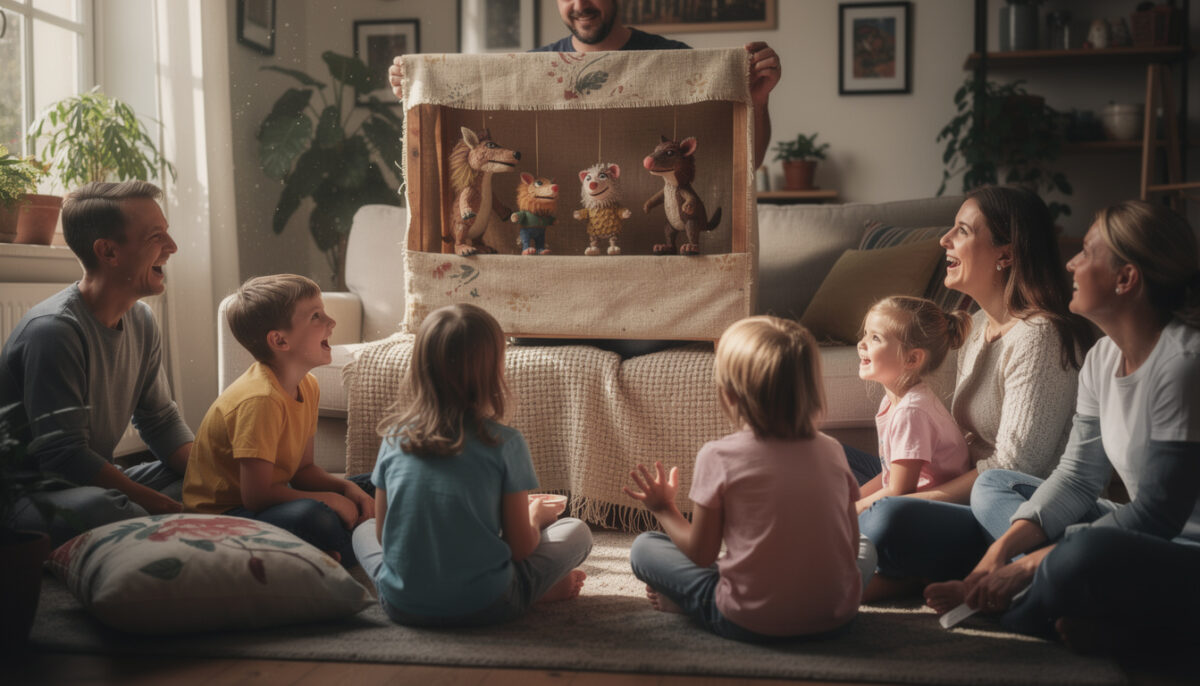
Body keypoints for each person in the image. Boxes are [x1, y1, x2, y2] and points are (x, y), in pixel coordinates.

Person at [924, 201, 1200, 656]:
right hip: (1134, 535)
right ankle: (1068, 601)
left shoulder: (1183, 365)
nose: (1071, 262)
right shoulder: (1102, 358)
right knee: (992, 485)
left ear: (1126, 278)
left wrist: (1030, 564)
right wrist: (1000, 555)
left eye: (1087, 253)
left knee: (1081, 555)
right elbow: (1076, 478)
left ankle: (1048, 609)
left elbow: (1158, 515)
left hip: (1183, 550)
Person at [855, 186, 1094, 598]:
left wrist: (916, 500)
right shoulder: (980, 324)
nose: (945, 240)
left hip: (998, 514)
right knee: (828, 462)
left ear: (1006, 254)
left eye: (962, 231)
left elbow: (1016, 468)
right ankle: (891, 563)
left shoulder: (1040, 336)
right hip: (955, 489)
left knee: (887, 518)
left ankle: (896, 561)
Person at [624, 316, 876, 642]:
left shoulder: (718, 456)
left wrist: (663, 508)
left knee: (645, 547)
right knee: (869, 547)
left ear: (729, 395)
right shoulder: (832, 450)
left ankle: (690, 603)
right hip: (836, 618)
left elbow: (701, 554)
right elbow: (852, 545)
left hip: (748, 620)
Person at [352, 303, 593, 627]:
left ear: (420, 369)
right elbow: (520, 548)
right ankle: (533, 590)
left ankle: (416, 590)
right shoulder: (505, 442)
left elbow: (384, 536)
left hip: (403, 606)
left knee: (363, 530)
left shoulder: (394, 438)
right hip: (490, 604)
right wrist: (534, 517)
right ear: (494, 371)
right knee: (577, 531)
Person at [1, 181, 194, 544]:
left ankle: (148, 525)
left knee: (200, 482)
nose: (172, 247)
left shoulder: (142, 321)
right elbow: (65, 457)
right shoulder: (54, 331)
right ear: (108, 251)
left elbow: (160, 420)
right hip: (28, 496)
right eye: (157, 236)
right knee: (103, 508)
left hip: (88, 485)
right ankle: (155, 524)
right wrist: (158, 504)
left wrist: (217, 475)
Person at [387, 0, 781, 168]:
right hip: (557, 246)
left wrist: (758, 101)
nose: (580, 4)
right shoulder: (531, 70)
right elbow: (483, 146)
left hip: (650, 253)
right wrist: (422, 91)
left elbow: (749, 160)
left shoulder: (676, 62)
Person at [182, 274, 375, 568]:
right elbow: (257, 497)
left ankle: (346, 547)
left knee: (379, 484)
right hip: (227, 516)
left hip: (268, 501)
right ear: (280, 340)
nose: (331, 322)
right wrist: (331, 500)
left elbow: (304, 471)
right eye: (316, 316)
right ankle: (362, 547)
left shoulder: (307, 385)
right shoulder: (260, 400)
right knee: (314, 516)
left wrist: (347, 490)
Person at [854, 296, 973, 515]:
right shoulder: (893, 402)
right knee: (833, 454)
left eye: (875, 338)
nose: (862, 343)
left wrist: (852, 510)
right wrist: (853, 500)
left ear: (912, 359)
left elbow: (899, 491)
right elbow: (890, 474)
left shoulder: (911, 411)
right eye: (865, 334)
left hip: (934, 512)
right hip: (903, 495)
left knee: (882, 515)